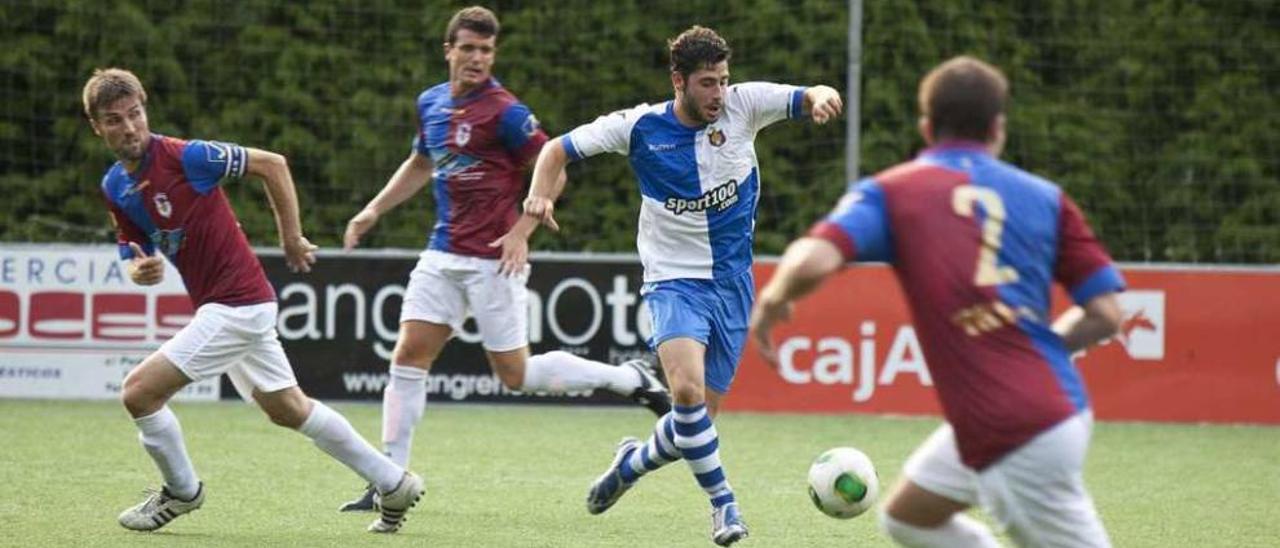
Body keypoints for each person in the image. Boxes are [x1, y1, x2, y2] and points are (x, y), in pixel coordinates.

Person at [749, 56, 1124, 548]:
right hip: (1052, 408)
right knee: (909, 517)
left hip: (1015, 431)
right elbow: (1107, 315)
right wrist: (1038, 348)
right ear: (998, 129)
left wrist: (773, 302)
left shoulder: (894, 193)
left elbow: (812, 261)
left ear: (926, 127)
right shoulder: (1048, 198)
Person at [512, 25, 843, 546]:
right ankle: (724, 506)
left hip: (733, 282)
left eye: (724, 81)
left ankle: (631, 464)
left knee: (697, 423)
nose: (719, 94)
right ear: (679, 82)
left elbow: (809, 93)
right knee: (684, 393)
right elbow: (556, 150)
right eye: (708, 83)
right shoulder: (639, 127)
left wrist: (824, 96)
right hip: (673, 279)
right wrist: (539, 197)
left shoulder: (745, 105)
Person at [338, 6, 672, 512]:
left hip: (495, 259)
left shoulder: (506, 112)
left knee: (515, 376)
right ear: (448, 51)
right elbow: (421, 162)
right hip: (441, 252)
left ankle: (630, 378)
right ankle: (388, 478)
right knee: (408, 357)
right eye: (468, 48)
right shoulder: (429, 102)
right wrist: (371, 211)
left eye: (486, 50)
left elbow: (552, 167)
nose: (477, 59)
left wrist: (523, 229)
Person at [85, 67, 424, 534]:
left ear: (146, 111)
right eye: (114, 119)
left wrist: (290, 237)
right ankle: (393, 481)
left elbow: (273, 164)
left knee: (138, 392)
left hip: (236, 304)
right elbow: (131, 240)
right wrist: (136, 266)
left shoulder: (187, 156)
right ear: (97, 127)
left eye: (135, 114)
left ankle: (182, 492)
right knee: (289, 409)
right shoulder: (114, 186)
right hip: (235, 306)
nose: (129, 127)